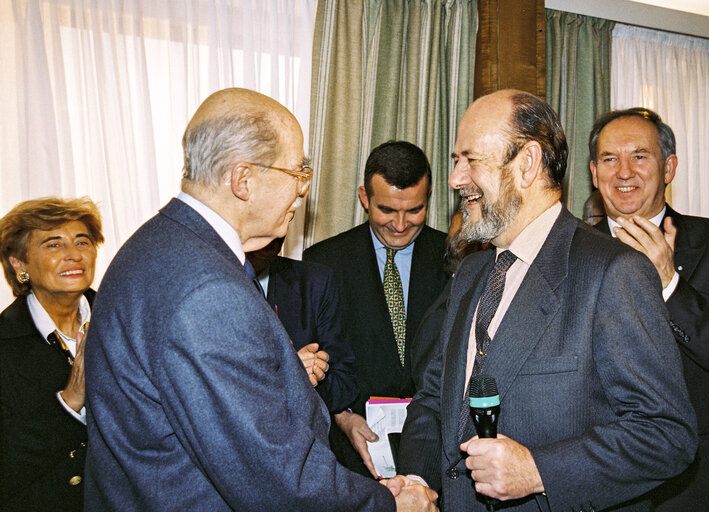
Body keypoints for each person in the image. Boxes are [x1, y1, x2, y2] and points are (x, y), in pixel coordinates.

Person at [83, 88, 437, 511]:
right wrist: (389, 505)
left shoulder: (155, 244)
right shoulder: (208, 292)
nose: (303, 191)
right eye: (298, 172)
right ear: (244, 179)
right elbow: (276, 478)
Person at [397, 89, 698, 511]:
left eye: (470, 160)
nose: (456, 179)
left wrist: (539, 470)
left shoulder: (612, 271)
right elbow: (434, 399)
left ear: (527, 164)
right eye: (455, 161)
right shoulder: (470, 274)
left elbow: (667, 435)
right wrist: (416, 481)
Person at [588, 107, 709, 511]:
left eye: (640, 156)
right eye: (610, 160)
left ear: (669, 168)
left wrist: (670, 284)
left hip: (699, 484)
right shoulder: (567, 253)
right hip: (599, 477)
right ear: (595, 174)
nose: (624, 172)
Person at [303, 140, 450, 478]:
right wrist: (341, 417)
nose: (400, 225)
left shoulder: (457, 259)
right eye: (387, 210)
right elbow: (314, 361)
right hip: (352, 451)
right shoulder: (323, 263)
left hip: (434, 449)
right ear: (364, 198)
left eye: (414, 210)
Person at [0, 197, 103, 511]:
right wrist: (69, 401)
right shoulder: (4, 345)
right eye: (53, 245)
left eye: (82, 241)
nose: (74, 255)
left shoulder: (127, 322)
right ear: (19, 263)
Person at [246, 237, 357, 413]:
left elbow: (344, 385)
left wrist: (313, 376)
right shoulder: (206, 281)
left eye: (286, 218)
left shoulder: (314, 282)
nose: (277, 231)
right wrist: (288, 371)